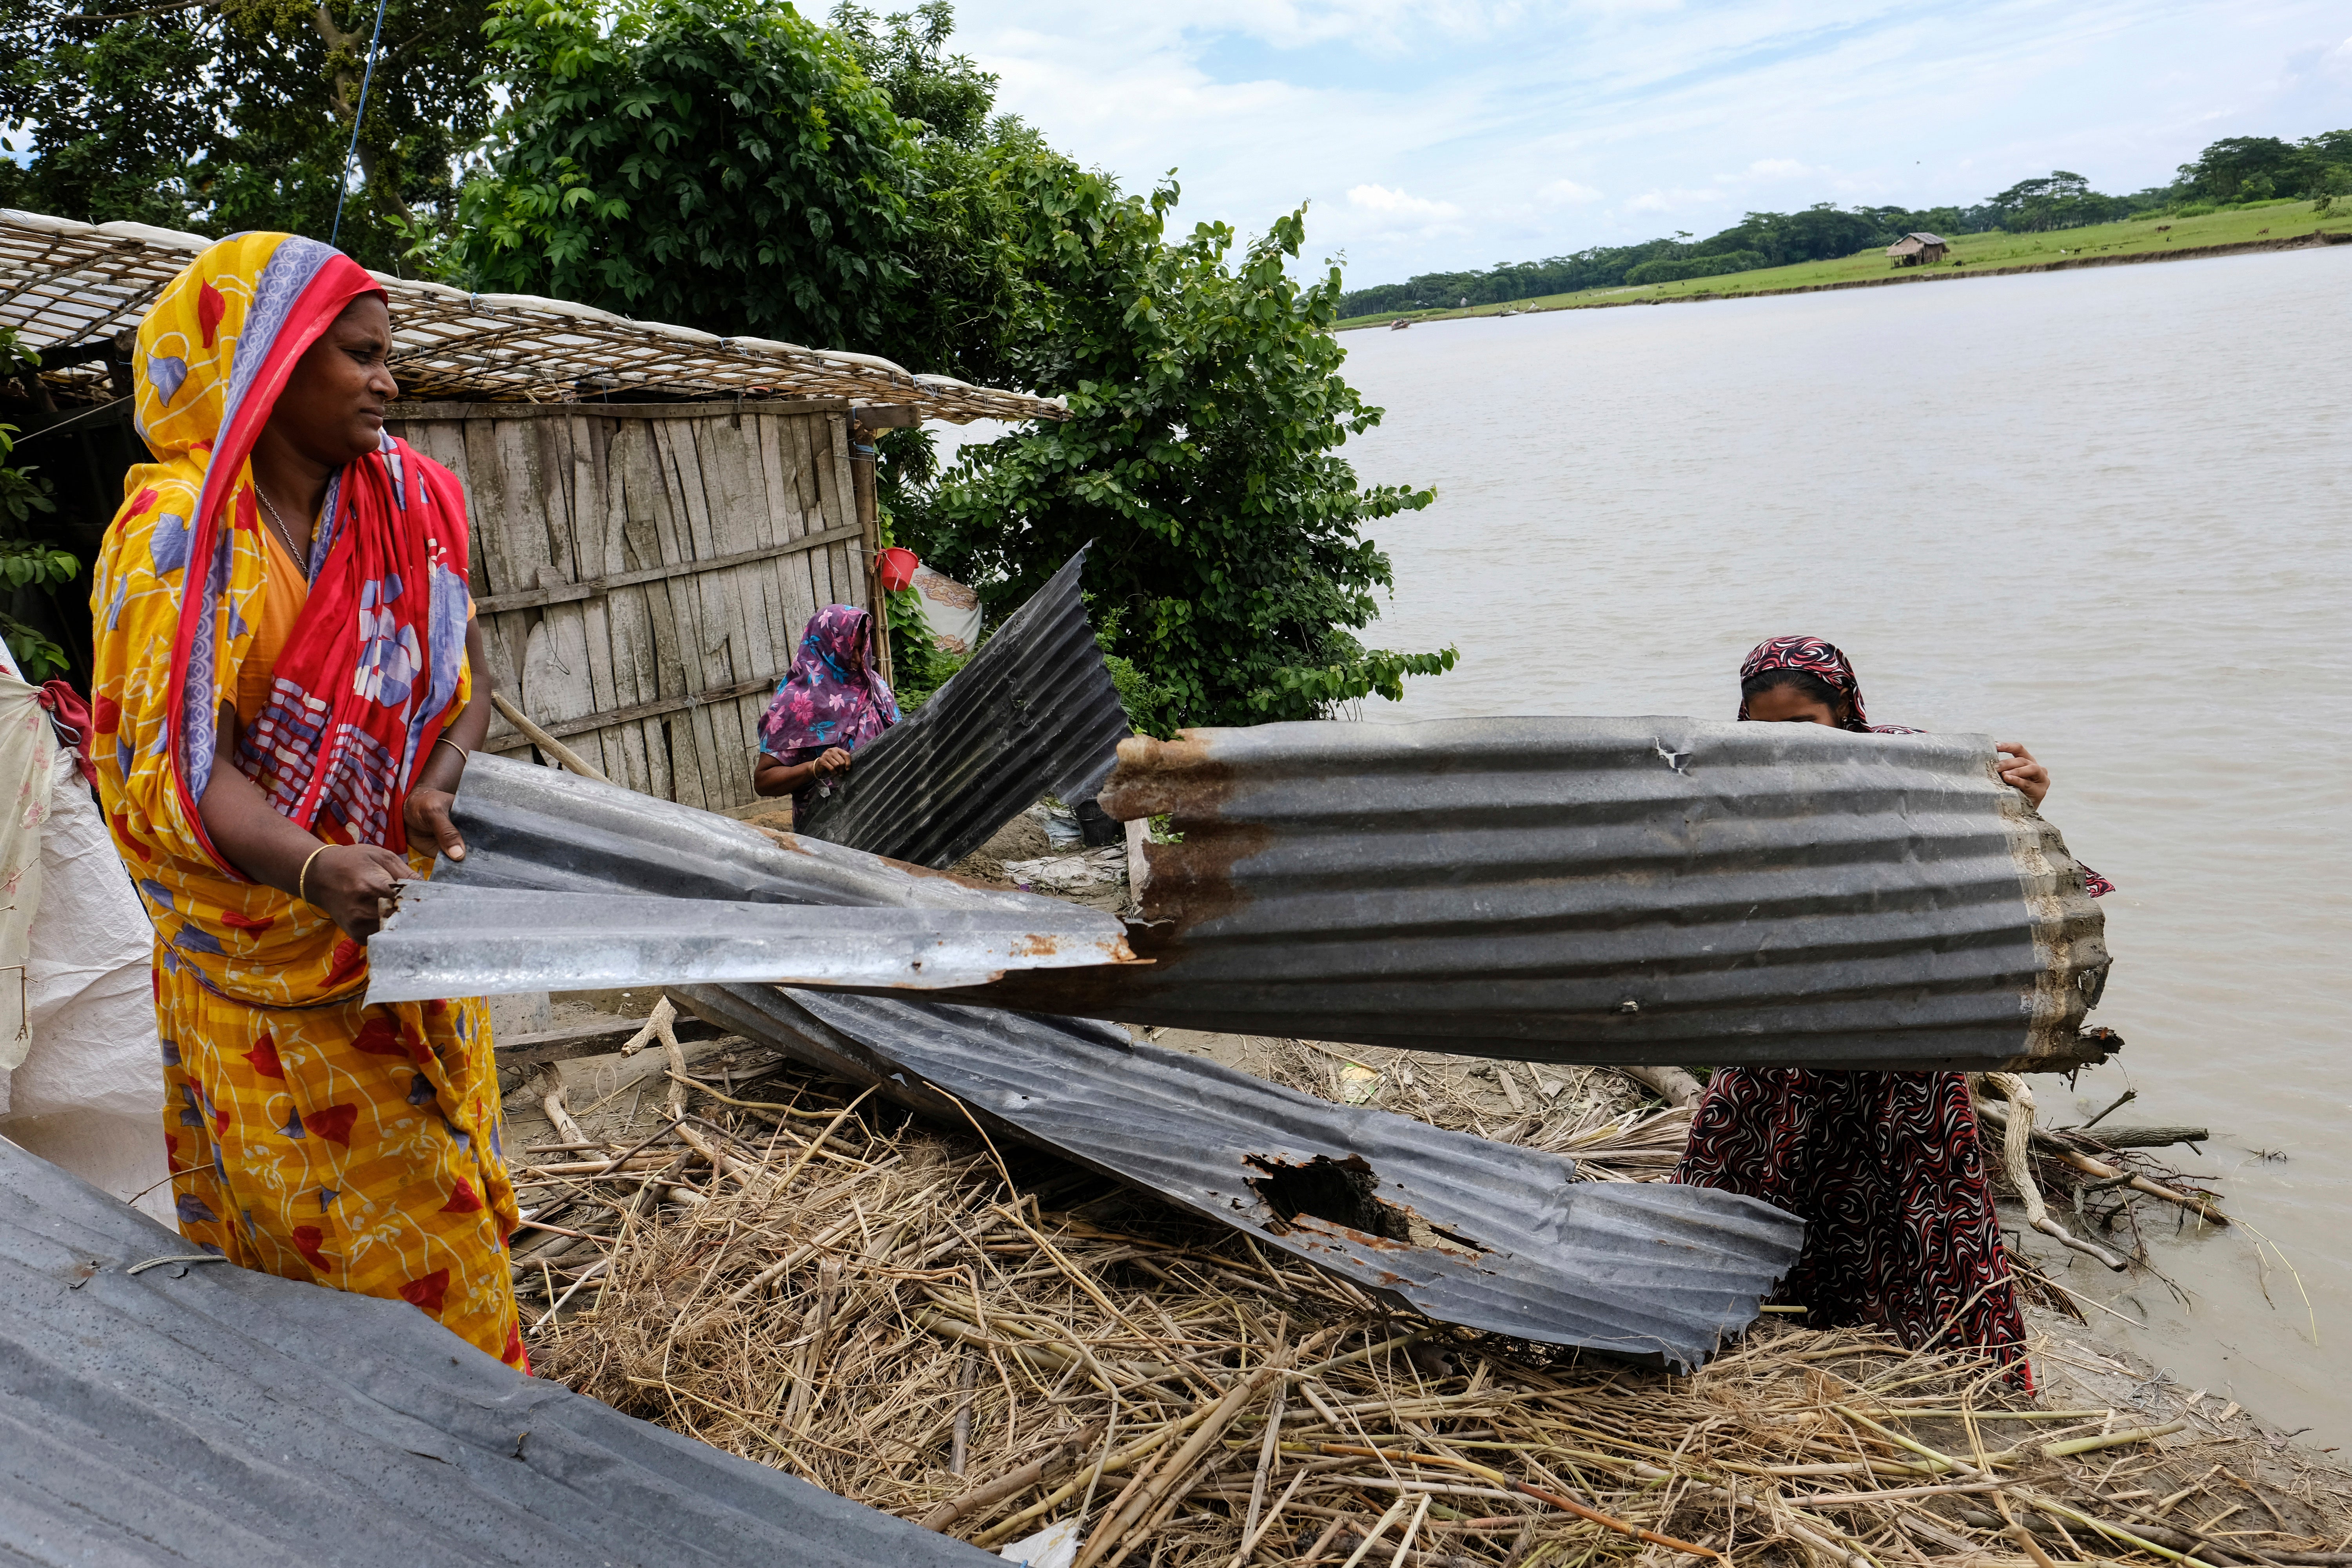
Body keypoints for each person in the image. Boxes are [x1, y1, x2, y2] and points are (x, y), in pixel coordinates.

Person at [89, 232, 524, 1367]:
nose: (391, 381)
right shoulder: (181, 540)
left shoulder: (404, 510)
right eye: (361, 356)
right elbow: (175, 771)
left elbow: (466, 688)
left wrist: (434, 783)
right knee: (338, 1284)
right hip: (272, 974)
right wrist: (310, 867)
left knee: (451, 1247)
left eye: (390, 356)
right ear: (270, 362)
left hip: (400, 945)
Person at [1672, 635, 2113, 1373]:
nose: (1778, 745)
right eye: (1759, 728)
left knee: (1919, 1191)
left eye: (1800, 725)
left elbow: (2018, 885)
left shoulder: (1919, 768)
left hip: (1904, 1028)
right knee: (1745, 1160)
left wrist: (2022, 803)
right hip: (1783, 1022)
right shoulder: (1731, 778)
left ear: (1845, 713)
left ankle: (1956, 1365)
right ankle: (1711, 1320)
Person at [752, 603, 901, 819]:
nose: (859, 659)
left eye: (862, 648)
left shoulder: (875, 686)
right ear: (826, 645)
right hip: (832, 827)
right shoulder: (796, 702)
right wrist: (816, 766)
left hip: (891, 813)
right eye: (851, 649)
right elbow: (764, 782)